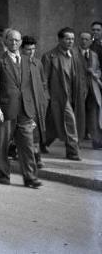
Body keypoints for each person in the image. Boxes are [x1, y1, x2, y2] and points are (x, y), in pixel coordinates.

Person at [0, 29, 44, 188]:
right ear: (5, 41)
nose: (14, 43)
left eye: (17, 40)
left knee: (27, 145)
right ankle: (3, 175)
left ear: (21, 42)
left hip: (25, 110)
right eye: (11, 40)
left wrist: (32, 111)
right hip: (6, 109)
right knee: (4, 145)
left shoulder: (27, 60)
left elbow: (31, 86)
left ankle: (30, 178)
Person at [41, 27, 87, 160]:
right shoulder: (50, 56)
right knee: (69, 122)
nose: (70, 42)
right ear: (60, 39)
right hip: (58, 97)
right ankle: (72, 151)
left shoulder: (75, 56)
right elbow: (43, 79)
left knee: (52, 123)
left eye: (72, 39)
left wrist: (83, 91)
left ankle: (41, 143)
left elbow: (81, 77)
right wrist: (46, 97)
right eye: (67, 39)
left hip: (74, 95)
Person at [20, 36, 49, 167]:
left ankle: (36, 156)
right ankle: (31, 156)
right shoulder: (18, 63)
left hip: (38, 103)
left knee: (36, 131)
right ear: (22, 49)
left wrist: (45, 98)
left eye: (33, 49)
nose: (31, 52)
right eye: (28, 49)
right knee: (25, 131)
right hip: (23, 103)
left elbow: (43, 82)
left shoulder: (38, 63)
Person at [76, 31, 102, 149]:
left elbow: (98, 69)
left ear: (91, 41)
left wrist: (95, 73)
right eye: (82, 39)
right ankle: (76, 142)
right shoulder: (73, 53)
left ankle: (96, 141)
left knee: (93, 116)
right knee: (78, 116)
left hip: (92, 90)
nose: (84, 41)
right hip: (78, 90)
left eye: (87, 39)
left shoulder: (94, 54)